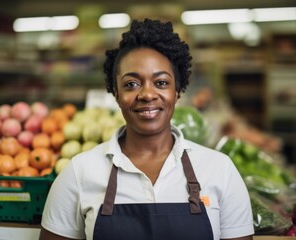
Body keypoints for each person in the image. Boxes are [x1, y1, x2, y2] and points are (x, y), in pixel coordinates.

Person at [39, 18, 254, 240]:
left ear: (177, 90)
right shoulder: (79, 173)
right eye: (132, 84)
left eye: (161, 82)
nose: (147, 94)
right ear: (116, 93)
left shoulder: (219, 170)